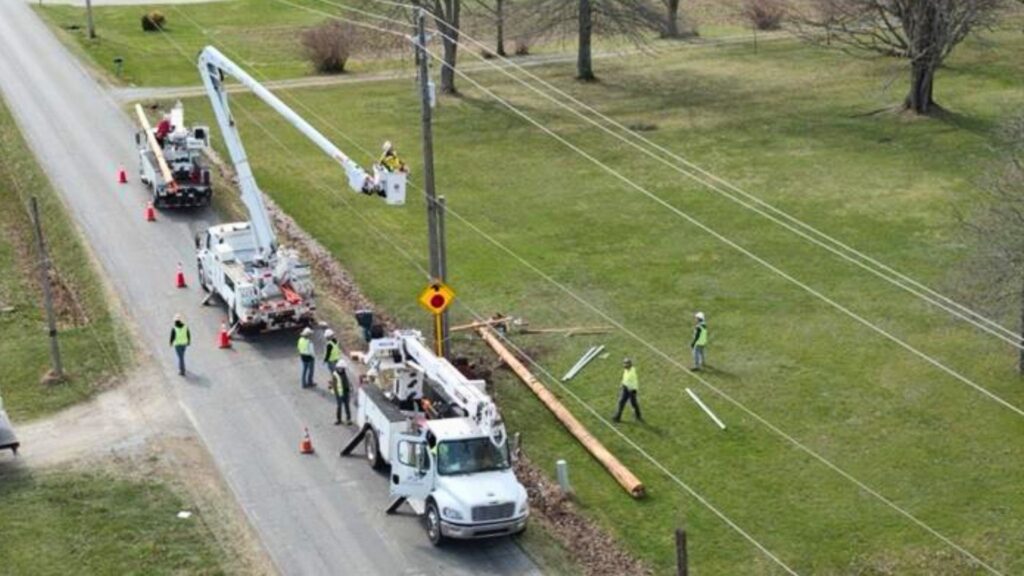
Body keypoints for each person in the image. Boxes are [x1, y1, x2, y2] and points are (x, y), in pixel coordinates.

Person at [612, 357, 642, 423]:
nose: (624, 365)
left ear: (629, 365)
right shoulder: (627, 370)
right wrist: (622, 384)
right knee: (621, 402)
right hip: (626, 388)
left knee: (633, 403)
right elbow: (625, 378)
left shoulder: (631, 373)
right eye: (624, 363)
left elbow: (628, 382)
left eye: (626, 364)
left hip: (631, 390)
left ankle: (638, 416)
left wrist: (623, 386)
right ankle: (617, 417)